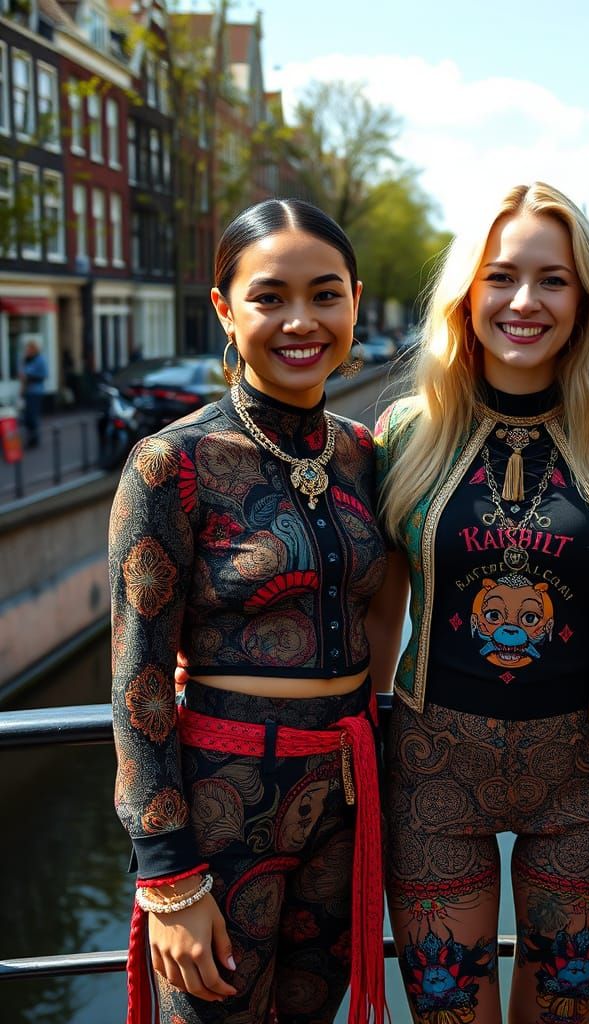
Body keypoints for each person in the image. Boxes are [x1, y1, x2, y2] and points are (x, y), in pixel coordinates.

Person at [372, 181, 589, 1024]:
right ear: (468, 294)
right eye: (501, 277)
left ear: (585, 301)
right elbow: (370, 593)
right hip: (434, 773)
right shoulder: (405, 432)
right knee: (447, 1013)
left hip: (582, 775)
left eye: (554, 279)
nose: (525, 302)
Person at [110, 198, 388, 1024]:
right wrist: (168, 876)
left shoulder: (360, 452)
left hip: (344, 798)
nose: (301, 320)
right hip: (224, 808)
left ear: (355, 302)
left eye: (326, 294)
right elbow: (140, 678)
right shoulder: (172, 463)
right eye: (270, 297)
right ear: (226, 310)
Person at [20, 339, 48, 446]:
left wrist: (29, 378)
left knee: (32, 416)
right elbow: (23, 374)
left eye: (29, 349)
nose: (27, 351)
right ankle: (30, 438)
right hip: (27, 391)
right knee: (27, 417)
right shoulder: (27, 360)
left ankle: (35, 439)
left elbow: (44, 375)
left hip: (36, 391)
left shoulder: (40, 359)